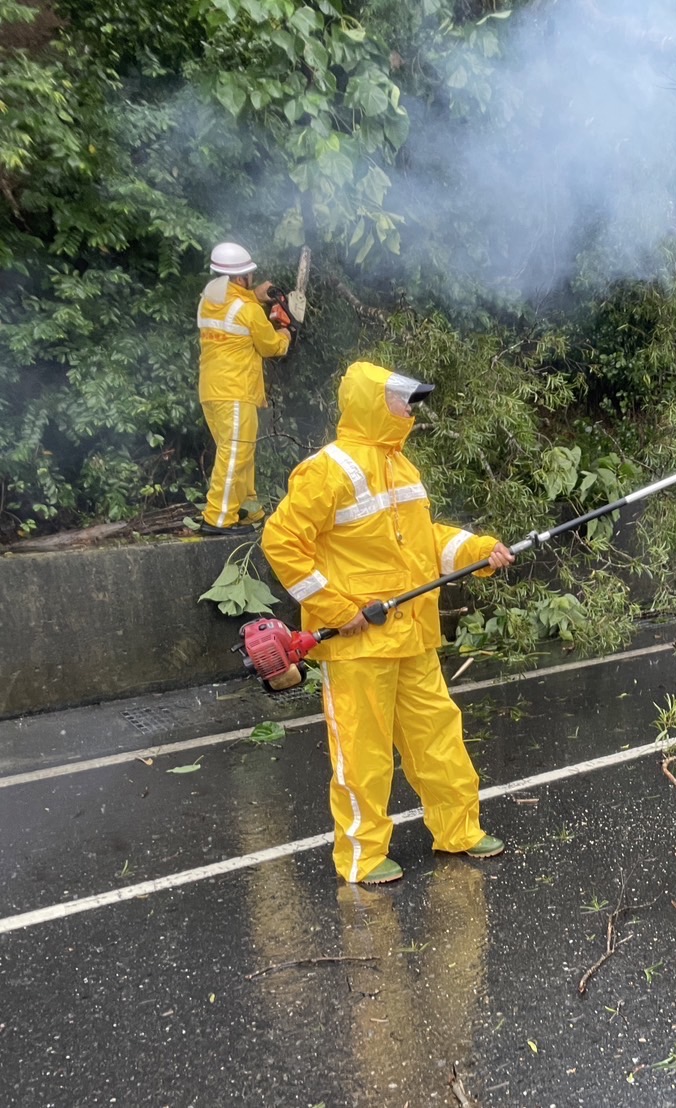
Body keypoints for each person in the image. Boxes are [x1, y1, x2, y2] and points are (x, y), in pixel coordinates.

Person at [261, 360, 515, 884]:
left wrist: (479, 549)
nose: (411, 412)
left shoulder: (402, 468)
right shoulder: (327, 469)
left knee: (438, 739)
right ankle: (362, 857)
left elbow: (425, 542)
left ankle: (459, 830)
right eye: (403, 402)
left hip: (413, 637)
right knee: (363, 756)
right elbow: (281, 543)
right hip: (358, 646)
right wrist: (335, 609)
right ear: (375, 404)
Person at [197, 242, 292, 535]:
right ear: (240, 278)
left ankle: (249, 510)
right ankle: (217, 518)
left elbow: (233, 307)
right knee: (235, 454)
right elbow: (271, 346)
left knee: (241, 453)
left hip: (211, 390)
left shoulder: (206, 300)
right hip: (236, 391)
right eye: (249, 275)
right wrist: (286, 333)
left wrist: (256, 295)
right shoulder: (250, 310)